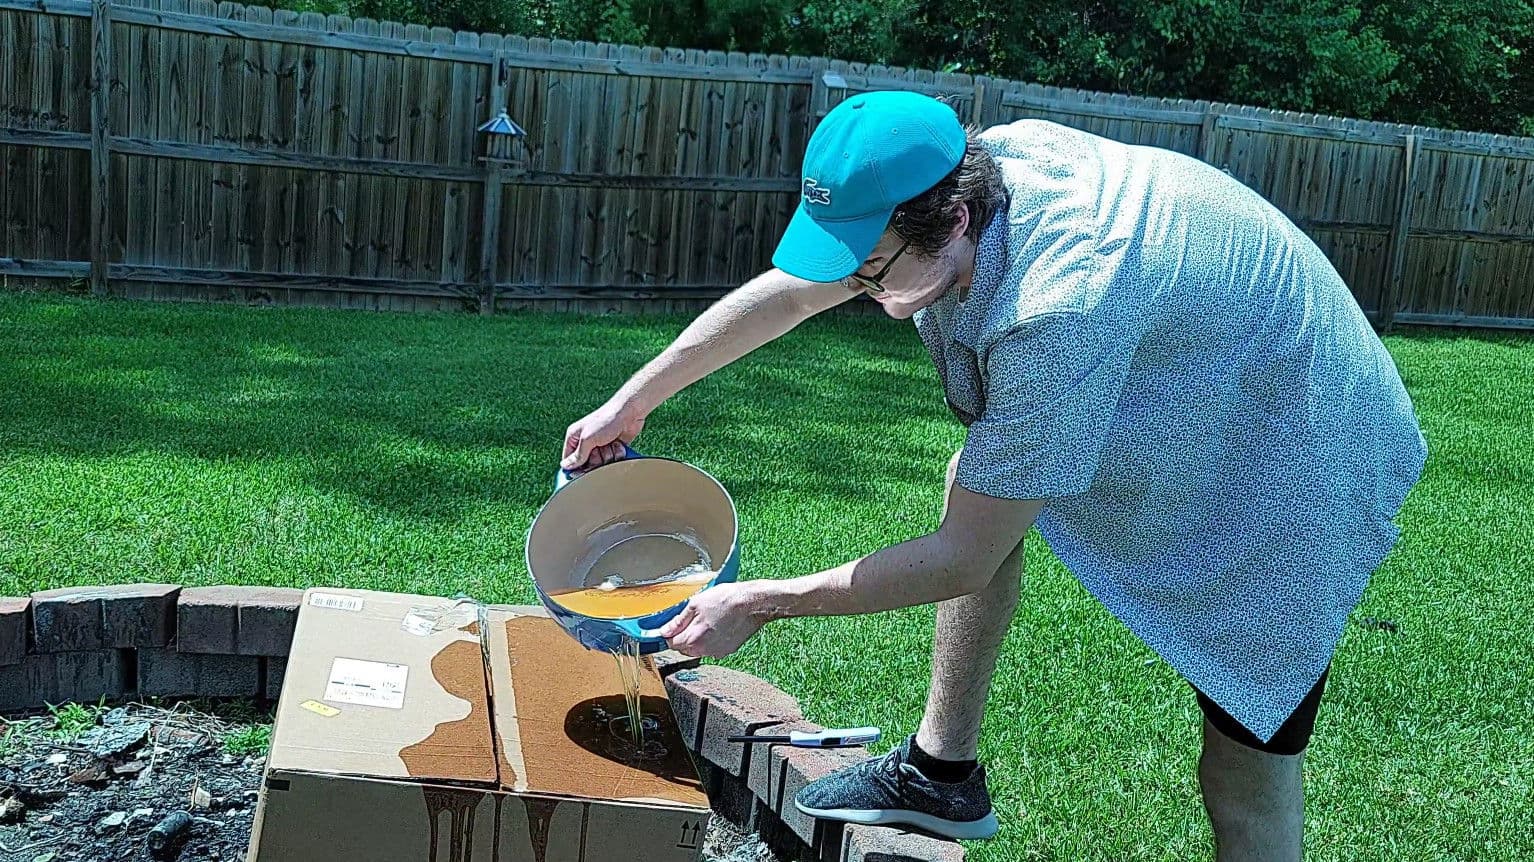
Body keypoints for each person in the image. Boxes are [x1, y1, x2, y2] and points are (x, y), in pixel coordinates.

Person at [558, 90, 1427, 860]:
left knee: (1245, 760)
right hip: (1208, 371)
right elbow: (791, 295)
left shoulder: (1058, 306)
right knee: (978, 478)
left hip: (1302, 438)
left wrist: (757, 600)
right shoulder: (964, 177)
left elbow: (963, 558)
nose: (857, 291)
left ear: (955, 221)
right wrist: (632, 403)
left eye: (870, 272)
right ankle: (942, 775)